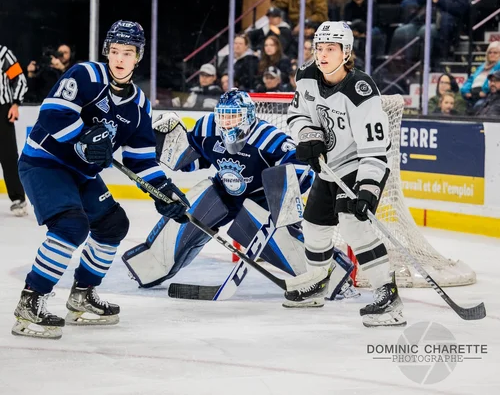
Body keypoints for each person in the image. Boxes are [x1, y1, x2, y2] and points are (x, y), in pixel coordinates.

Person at [12, 20, 188, 340]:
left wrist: (164, 191)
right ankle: (31, 301)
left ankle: (82, 296)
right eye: (115, 51)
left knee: (112, 225)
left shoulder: (138, 106)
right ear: (107, 51)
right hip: (45, 163)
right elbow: (52, 113)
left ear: (138, 57)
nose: (120, 59)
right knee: (71, 226)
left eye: (128, 53)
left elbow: (141, 159)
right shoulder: (86, 75)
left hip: (81, 174)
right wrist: (83, 138)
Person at [124, 90, 356, 304]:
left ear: (248, 117)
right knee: (187, 213)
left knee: (279, 240)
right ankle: (150, 266)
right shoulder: (208, 129)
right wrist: (163, 146)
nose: (227, 123)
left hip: (259, 200)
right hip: (223, 191)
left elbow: (299, 164)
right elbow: (196, 158)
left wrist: (282, 194)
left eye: (233, 117)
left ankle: (334, 277)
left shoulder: (267, 138)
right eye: (223, 117)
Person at [286, 21, 405, 327]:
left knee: (354, 226)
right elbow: (296, 115)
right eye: (319, 48)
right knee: (314, 224)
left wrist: (367, 189)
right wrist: (308, 134)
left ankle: (388, 295)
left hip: (361, 164)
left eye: (331, 49)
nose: (322, 55)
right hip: (330, 168)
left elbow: (375, 149)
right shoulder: (307, 76)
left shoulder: (361, 90)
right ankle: (317, 283)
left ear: (346, 52)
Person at [0, 43, 28, 216]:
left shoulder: (2, 53)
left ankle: (18, 198)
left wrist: (15, 103)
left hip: (1, 109)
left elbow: (19, 78)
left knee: (8, 155)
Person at [461, 41, 500, 111]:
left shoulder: (499, 66)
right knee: (459, 104)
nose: (492, 54)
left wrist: (484, 91)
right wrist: (466, 91)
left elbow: (493, 82)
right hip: (472, 95)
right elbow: (471, 79)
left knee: (478, 106)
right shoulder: (481, 67)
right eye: (490, 52)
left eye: (495, 53)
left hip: (488, 96)